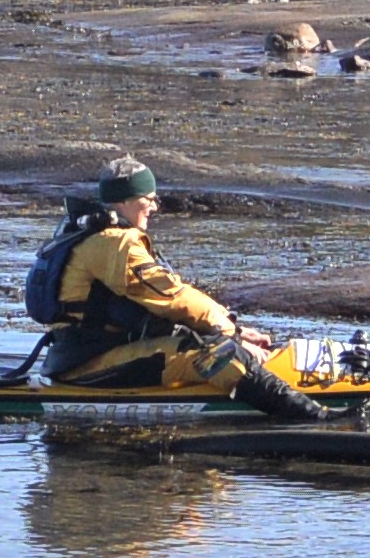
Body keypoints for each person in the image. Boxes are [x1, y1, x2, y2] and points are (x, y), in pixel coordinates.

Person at [29, 156, 323, 418]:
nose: (155, 207)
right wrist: (229, 331)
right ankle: (312, 417)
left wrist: (234, 329)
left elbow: (161, 306)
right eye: (149, 198)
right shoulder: (116, 244)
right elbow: (174, 298)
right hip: (91, 365)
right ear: (125, 201)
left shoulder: (83, 233)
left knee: (211, 341)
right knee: (214, 353)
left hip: (77, 359)